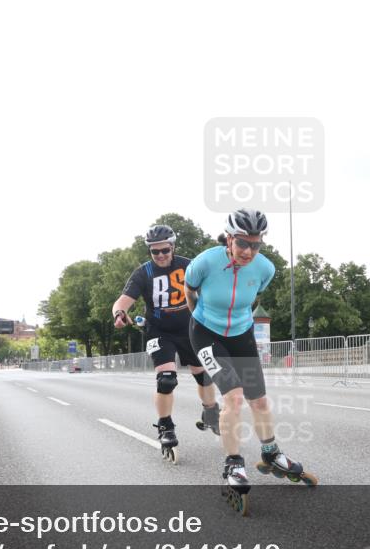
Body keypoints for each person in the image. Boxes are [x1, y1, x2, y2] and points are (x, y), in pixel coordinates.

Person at [185, 208, 317, 501]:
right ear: (229, 239)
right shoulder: (204, 262)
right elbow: (189, 291)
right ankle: (233, 464)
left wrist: (236, 322)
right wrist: (199, 321)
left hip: (241, 334)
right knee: (232, 397)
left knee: (258, 400)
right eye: (242, 243)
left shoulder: (265, 269)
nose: (248, 251)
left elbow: (252, 297)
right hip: (206, 333)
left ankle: (271, 452)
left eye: (255, 244)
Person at [111, 224, 220, 462]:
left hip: (190, 328)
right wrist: (119, 314)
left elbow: (213, 288)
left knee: (203, 375)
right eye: (155, 252)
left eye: (164, 251)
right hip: (158, 331)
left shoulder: (188, 265)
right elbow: (122, 301)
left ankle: (211, 410)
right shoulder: (144, 273)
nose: (160, 256)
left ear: (173, 247)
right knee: (166, 379)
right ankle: (165, 426)